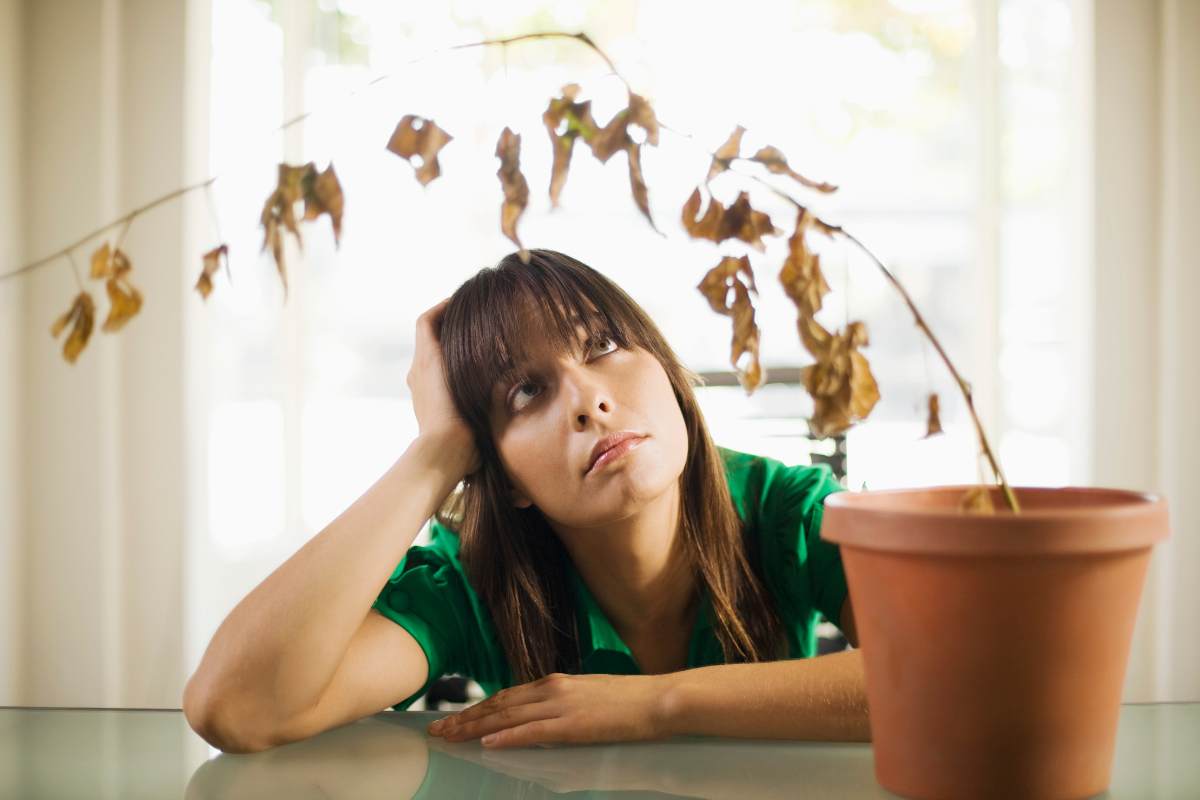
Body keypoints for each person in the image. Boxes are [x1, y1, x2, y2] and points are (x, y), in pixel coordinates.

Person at [182, 249, 869, 755]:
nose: (588, 401)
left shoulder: (789, 510)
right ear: (502, 474)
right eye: (526, 392)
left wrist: (658, 704)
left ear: (663, 363)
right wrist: (437, 454)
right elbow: (236, 708)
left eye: (601, 344)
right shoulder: (475, 580)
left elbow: (948, 680)